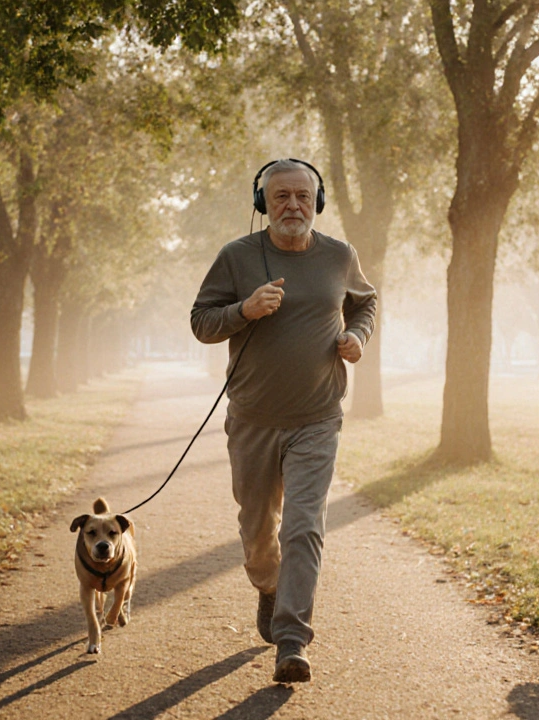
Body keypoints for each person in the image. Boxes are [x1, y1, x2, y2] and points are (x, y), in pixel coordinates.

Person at [190, 159, 377, 683]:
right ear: (262, 202)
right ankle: (269, 589)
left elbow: (366, 302)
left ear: (317, 202)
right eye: (281, 197)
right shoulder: (236, 257)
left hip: (317, 417)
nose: (292, 206)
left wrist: (357, 337)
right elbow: (202, 322)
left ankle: (292, 640)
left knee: (303, 526)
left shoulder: (341, 256)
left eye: (302, 196)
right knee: (257, 532)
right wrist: (243, 311)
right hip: (251, 418)